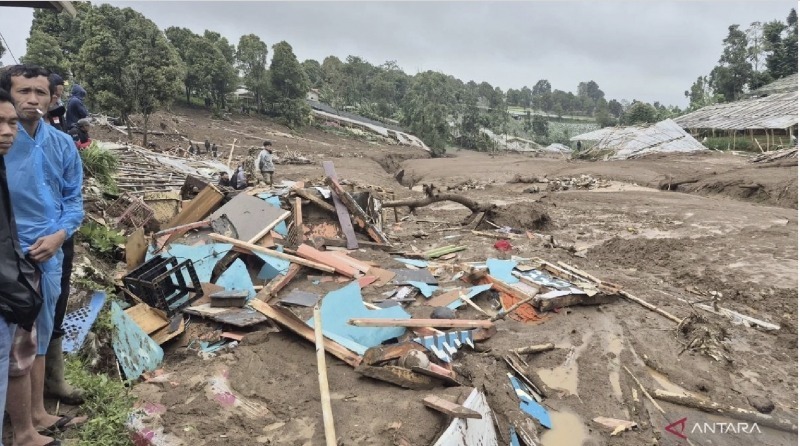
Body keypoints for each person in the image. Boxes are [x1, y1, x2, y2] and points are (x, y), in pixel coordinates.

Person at [1, 65, 87, 445]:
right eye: (24, 92)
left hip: (49, 250)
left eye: (40, 92)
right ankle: (20, 423)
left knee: (41, 329)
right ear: (8, 95)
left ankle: (35, 412)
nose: (32, 100)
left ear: (52, 98)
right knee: (13, 338)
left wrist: (59, 235)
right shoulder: (4, 140)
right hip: (9, 252)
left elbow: (73, 200)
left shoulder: (62, 144)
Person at [0, 87, 44, 446]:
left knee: (19, 355)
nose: (6, 131)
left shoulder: (57, 143)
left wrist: (60, 233)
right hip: (10, 283)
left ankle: (31, 423)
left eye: (10, 123)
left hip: (25, 267)